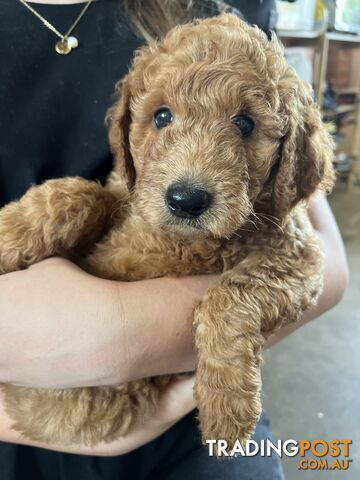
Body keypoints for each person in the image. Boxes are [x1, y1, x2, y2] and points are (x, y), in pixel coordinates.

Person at [0, 1, 348, 479]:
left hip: (193, 411)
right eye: (162, 117)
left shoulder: (236, 11)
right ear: (125, 128)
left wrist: (127, 335)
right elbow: (113, 194)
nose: (191, 171)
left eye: (244, 126)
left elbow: (321, 261)